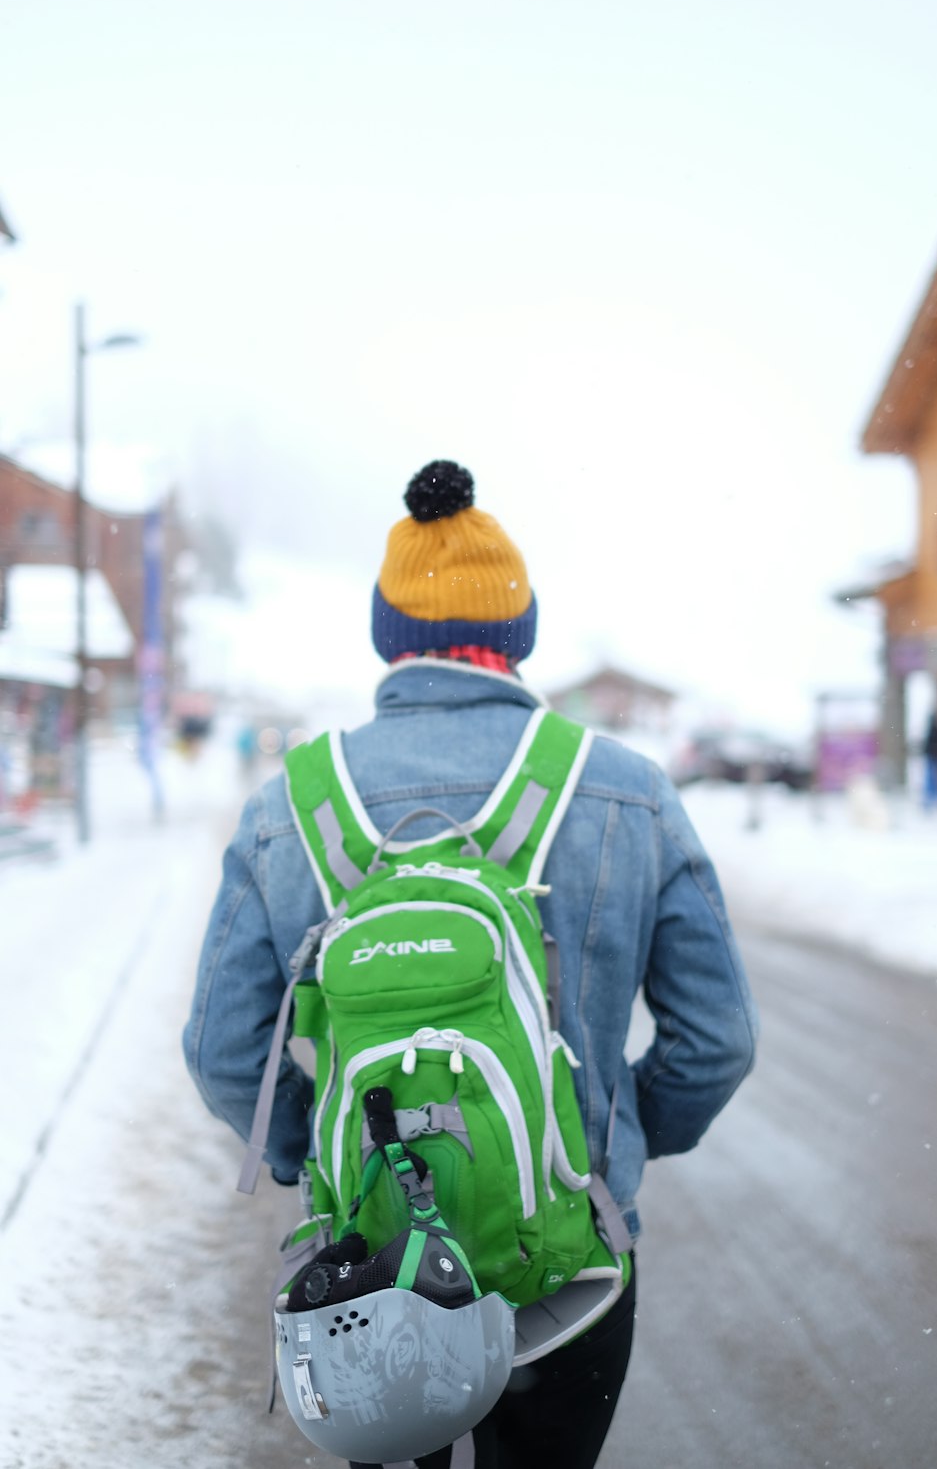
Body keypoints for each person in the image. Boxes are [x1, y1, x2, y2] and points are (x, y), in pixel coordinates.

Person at [182, 461, 758, 1469]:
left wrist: (307, 1155)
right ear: (518, 632)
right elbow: (716, 1044)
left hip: (370, 1265)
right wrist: (606, 1148)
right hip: (570, 1265)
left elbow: (222, 1049)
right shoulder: (625, 790)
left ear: (386, 635)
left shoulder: (291, 807)